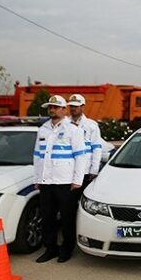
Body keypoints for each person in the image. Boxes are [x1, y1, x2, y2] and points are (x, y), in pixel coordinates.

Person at [33, 95, 89, 263]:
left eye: (56, 107)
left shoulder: (74, 130)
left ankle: (66, 249)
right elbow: (37, 155)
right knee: (48, 218)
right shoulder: (43, 129)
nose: (52, 110)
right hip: (46, 182)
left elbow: (81, 157)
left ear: (64, 110)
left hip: (65, 183)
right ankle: (50, 248)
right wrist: (37, 178)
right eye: (50, 107)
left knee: (67, 219)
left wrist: (77, 180)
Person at [67, 94, 103, 188]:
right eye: (71, 106)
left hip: (85, 170)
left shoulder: (91, 125)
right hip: (67, 171)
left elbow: (96, 148)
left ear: (82, 107)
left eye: (76, 106)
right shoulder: (64, 124)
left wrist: (94, 169)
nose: (73, 108)